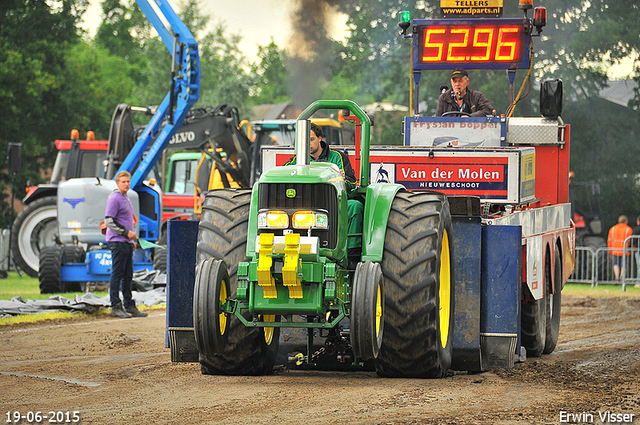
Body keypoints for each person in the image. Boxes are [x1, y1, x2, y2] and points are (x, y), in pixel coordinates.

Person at [283, 123, 363, 267]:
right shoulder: (295, 161)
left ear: (320, 138)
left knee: (355, 207)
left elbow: (352, 183)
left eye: (311, 139)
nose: (308, 144)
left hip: (334, 204)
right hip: (304, 206)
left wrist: (343, 179)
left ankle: (352, 255)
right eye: (305, 141)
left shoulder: (338, 158)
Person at [104, 170, 147, 318]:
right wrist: (125, 233)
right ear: (118, 183)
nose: (126, 184)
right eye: (123, 182)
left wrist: (130, 241)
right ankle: (115, 305)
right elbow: (109, 220)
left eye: (128, 181)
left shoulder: (126, 197)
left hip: (125, 242)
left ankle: (129, 305)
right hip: (117, 241)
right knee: (117, 273)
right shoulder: (114, 198)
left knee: (128, 274)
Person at [607, 215, 633, 282]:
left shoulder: (612, 229)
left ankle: (616, 276)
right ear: (626, 221)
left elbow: (609, 240)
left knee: (615, 264)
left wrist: (610, 251)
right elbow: (631, 241)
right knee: (624, 264)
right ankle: (622, 278)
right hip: (625, 250)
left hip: (615, 250)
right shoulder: (628, 230)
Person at [632, 215, 640, 287]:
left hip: (638, 249)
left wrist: (629, 247)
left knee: (639, 265)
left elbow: (633, 240)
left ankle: (639, 282)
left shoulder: (636, 229)